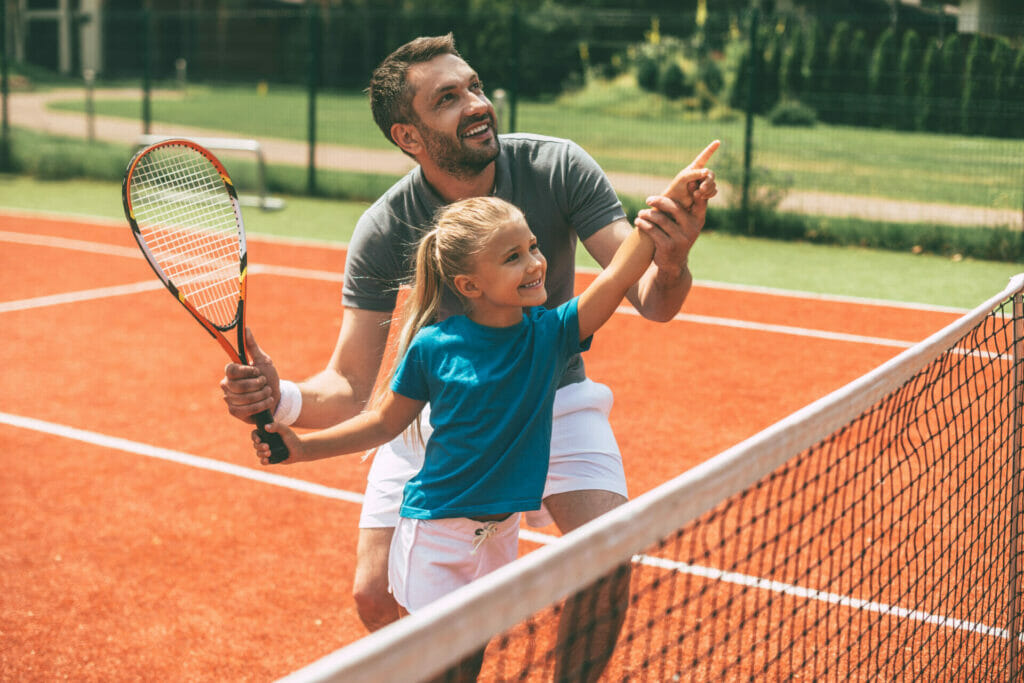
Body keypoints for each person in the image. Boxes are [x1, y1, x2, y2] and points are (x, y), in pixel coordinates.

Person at [221, 34, 716, 680]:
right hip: (438, 405)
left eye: (475, 87)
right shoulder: (384, 227)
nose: (476, 104)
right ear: (409, 135)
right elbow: (350, 383)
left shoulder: (557, 167)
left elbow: (650, 295)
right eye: (448, 98)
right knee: (375, 597)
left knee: (607, 551)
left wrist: (672, 257)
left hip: (551, 389)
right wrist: (279, 397)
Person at [254, 195, 659, 679]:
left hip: (497, 538)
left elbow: (615, 278)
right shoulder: (434, 348)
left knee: (468, 663)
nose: (535, 263)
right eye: (512, 257)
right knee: (437, 670)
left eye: (532, 247)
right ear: (469, 284)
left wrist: (656, 222)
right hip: (435, 541)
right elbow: (384, 423)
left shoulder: (550, 333)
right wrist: (301, 449)